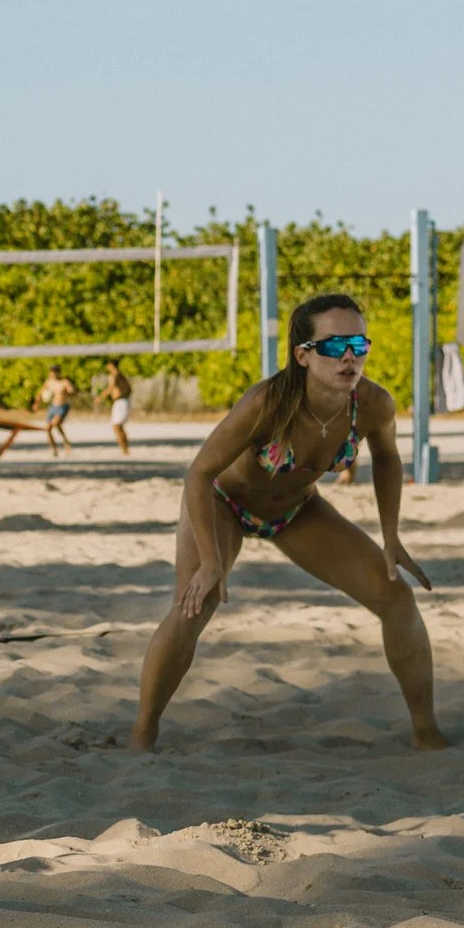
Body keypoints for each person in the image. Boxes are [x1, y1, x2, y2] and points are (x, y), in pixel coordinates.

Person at [130, 292, 443, 753]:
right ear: (303, 355)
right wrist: (211, 563)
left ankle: (427, 733)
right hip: (224, 502)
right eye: (335, 346)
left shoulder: (374, 404)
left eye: (359, 343)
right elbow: (199, 473)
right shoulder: (267, 403)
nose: (350, 356)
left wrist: (391, 536)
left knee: (397, 596)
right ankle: (143, 733)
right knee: (191, 607)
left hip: (297, 510)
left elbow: (389, 460)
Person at [36, 366, 77, 456]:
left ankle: (65, 441)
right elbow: (40, 393)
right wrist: (36, 404)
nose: (52, 375)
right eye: (51, 373)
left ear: (58, 373)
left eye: (54, 373)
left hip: (62, 406)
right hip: (52, 407)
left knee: (55, 423)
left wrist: (70, 391)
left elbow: (72, 391)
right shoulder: (49, 382)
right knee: (47, 428)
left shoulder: (64, 382)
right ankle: (54, 448)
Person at [103, 359, 133, 456]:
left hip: (120, 402)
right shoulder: (121, 375)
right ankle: (125, 448)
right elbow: (129, 389)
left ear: (111, 365)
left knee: (117, 426)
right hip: (121, 401)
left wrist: (100, 397)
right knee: (118, 426)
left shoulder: (114, 375)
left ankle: (124, 449)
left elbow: (111, 387)